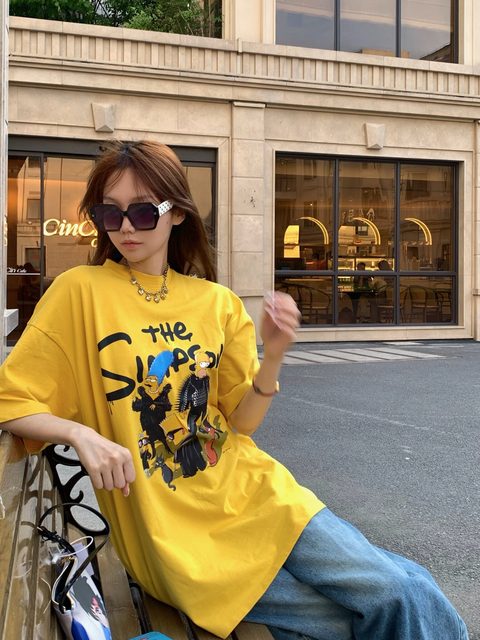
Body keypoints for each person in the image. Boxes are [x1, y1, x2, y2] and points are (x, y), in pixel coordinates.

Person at [0, 141, 468, 640]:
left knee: (403, 591)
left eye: (142, 211)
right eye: (110, 214)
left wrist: (275, 354)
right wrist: (80, 434)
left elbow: (240, 423)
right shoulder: (79, 292)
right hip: (179, 543)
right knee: (376, 612)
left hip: (259, 496)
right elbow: (11, 398)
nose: (127, 228)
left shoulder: (217, 303)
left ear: (178, 213)